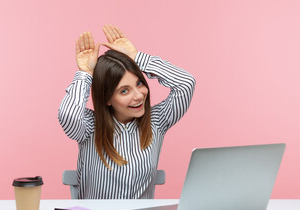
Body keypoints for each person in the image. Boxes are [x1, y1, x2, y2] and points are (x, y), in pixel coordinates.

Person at [58, 24, 196, 199]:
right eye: (124, 91)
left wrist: (136, 57)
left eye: (139, 83)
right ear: (107, 98)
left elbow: (186, 83)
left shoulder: (158, 121)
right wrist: (85, 74)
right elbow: (68, 115)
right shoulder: (89, 127)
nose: (139, 96)